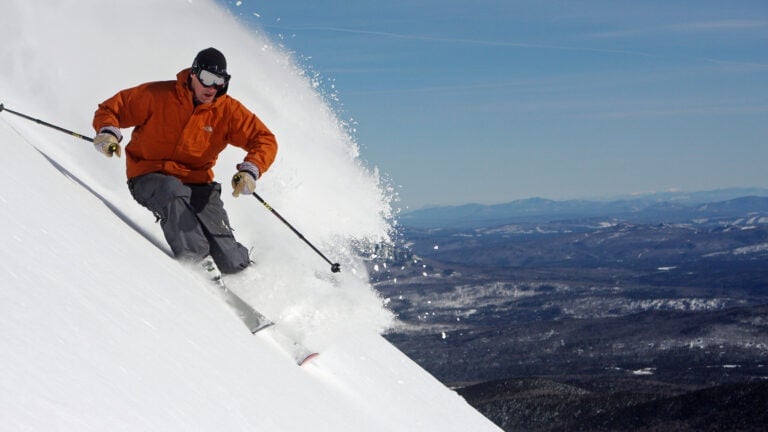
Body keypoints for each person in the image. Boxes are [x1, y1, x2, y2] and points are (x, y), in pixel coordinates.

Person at [92, 47, 278, 280]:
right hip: (149, 176)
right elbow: (112, 109)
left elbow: (264, 140)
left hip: (198, 186)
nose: (212, 88)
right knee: (172, 191)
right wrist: (108, 131)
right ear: (193, 73)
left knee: (230, 259)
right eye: (207, 79)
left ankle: (248, 279)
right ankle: (199, 267)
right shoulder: (158, 95)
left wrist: (251, 169)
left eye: (220, 81)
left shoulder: (227, 111)